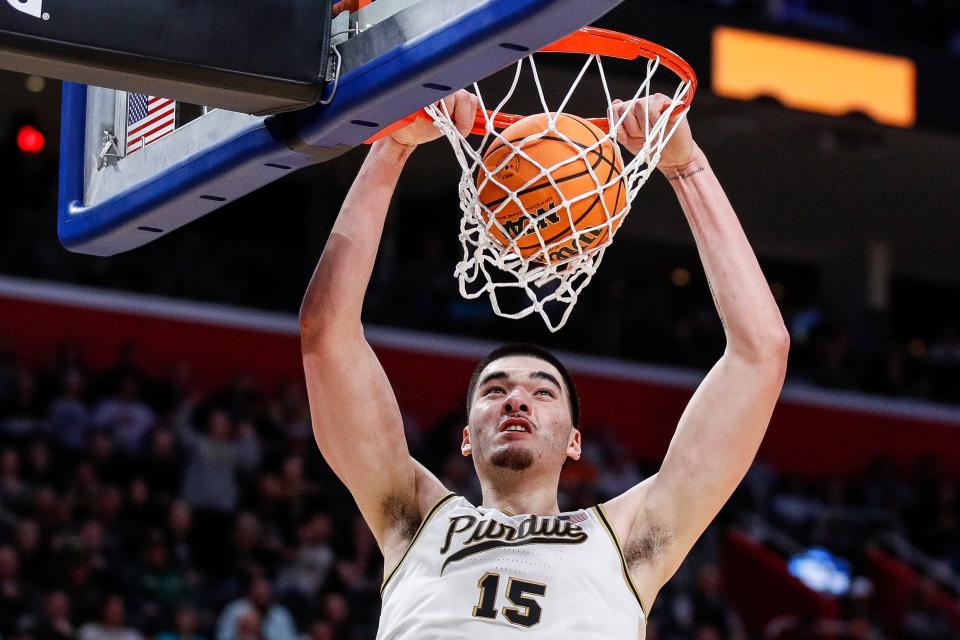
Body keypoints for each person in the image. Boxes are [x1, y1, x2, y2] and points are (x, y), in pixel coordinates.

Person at [298, 91, 789, 638]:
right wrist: (390, 149)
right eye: (495, 389)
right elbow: (327, 334)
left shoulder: (627, 542)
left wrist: (685, 167)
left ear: (575, 442)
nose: (516, 398)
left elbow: (760, 351)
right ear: (466, 437)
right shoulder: (411, 518)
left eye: (543, 391)